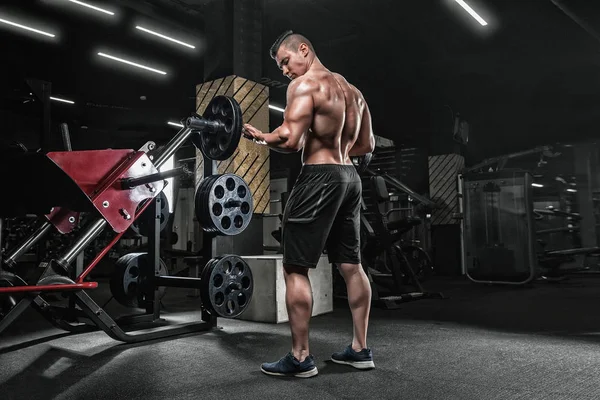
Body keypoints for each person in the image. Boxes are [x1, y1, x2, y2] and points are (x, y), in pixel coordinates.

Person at [242, 30, 375, 378]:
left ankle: (300, 357)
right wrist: (337, 151)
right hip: (351, 179)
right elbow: (367, 145)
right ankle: (360, 349)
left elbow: (289, 139)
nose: (285, 71)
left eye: (285, 61)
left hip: (319, 177)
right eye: (281, 67)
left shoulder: (304, 85)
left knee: (295, 267)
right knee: (351, 264)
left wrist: (260, 137)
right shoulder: (353, 92)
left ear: (303, 49)